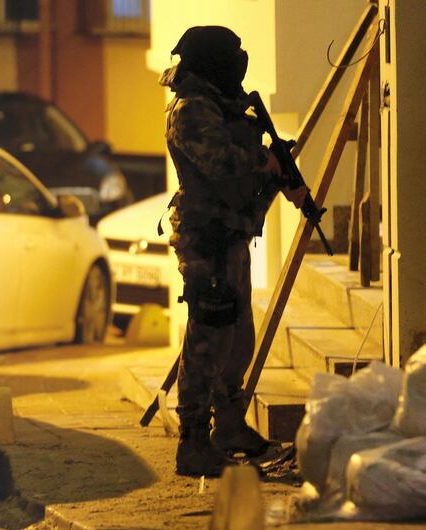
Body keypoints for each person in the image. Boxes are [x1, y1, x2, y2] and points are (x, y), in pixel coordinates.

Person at [160, 26, 308, 477]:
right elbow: (220, 162)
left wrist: (282, 170)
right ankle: (193, 443)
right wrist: (263, 160)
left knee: (237, 339)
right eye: (231, 56)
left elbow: (244, 157)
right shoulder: (189, 110)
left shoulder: (223, 105)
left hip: (231, 236)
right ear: (211, 62)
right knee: (208, 340)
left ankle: (228, 425)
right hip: (207, 241)